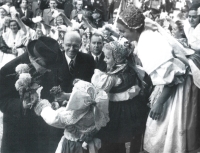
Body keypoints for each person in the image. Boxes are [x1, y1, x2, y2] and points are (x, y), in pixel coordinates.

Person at [116, 4, 200, 153]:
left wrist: (160, 102)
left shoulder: (148, 42)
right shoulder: (144, 35)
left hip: (175, 87)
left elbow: (172, 77)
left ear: (134, 29)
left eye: (123, 31)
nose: (122, 35)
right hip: (171, 82)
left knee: (164, 131)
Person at [0, 36, 64, 153]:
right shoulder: (7, 70)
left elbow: (52, 88)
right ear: (35, 59)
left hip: (43, 130)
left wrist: (56, 101)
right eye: (46, 68)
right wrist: (22, 105)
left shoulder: (50, 60)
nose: (49, 71)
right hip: (17, 132)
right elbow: (2, 100)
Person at [91, 41, 151, 153]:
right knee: (126, 138)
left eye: (107, 58)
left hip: (117, 110)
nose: (104, 60)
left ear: (117, 58)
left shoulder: (112, 77)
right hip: (133, 108)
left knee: (112, 139)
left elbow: (99, 90)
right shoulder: (131, 68)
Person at [32, 79, 109, 153]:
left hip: (72, 146)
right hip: (87, 146)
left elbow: (53, 118)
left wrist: (42, 105)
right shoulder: (96, 111)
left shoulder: (70, 115)